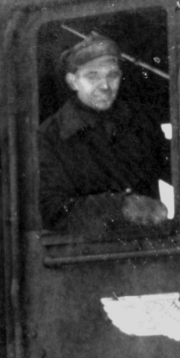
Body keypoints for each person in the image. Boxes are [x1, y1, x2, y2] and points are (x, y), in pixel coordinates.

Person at [37, 31, 171, 233]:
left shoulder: (141, 123)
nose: (105, 86)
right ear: (73, 81)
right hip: (86, 257)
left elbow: (179, 169)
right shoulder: (49, 137)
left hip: (147, 249)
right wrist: (119, 207)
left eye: (113, 75)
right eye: (93, 76)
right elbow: (51, 212)